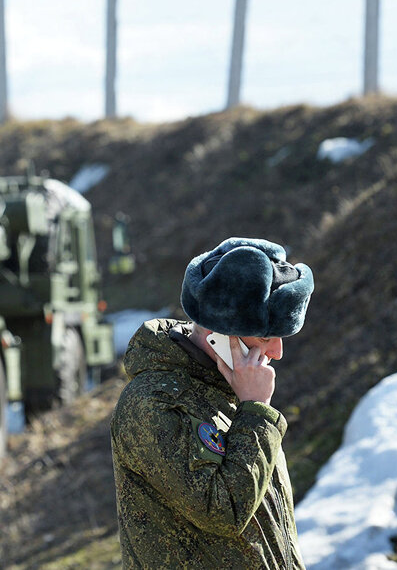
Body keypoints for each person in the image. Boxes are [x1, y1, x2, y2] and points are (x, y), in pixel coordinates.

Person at [111, 237, 314, 569]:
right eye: (265, 337)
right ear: (220, 335)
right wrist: (256, 414)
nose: (277, 353)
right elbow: (224, 513)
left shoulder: (234, 389)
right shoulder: (152, 404)